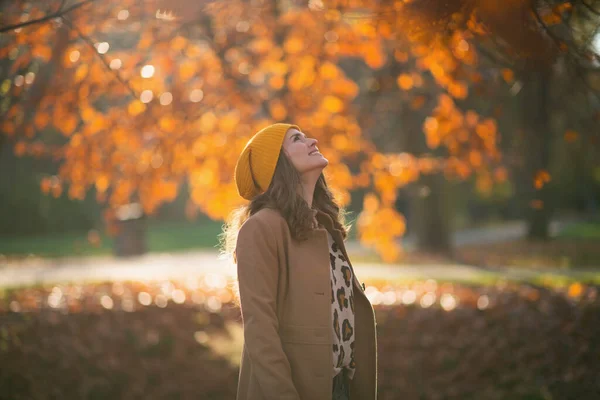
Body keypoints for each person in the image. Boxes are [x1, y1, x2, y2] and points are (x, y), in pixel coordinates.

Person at [221, 123, 377, 400]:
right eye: (297, 139)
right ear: (276, 164)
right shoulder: (261, 228)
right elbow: (260, 329)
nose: (313, 140)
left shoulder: (324, 225)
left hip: (341, 387)